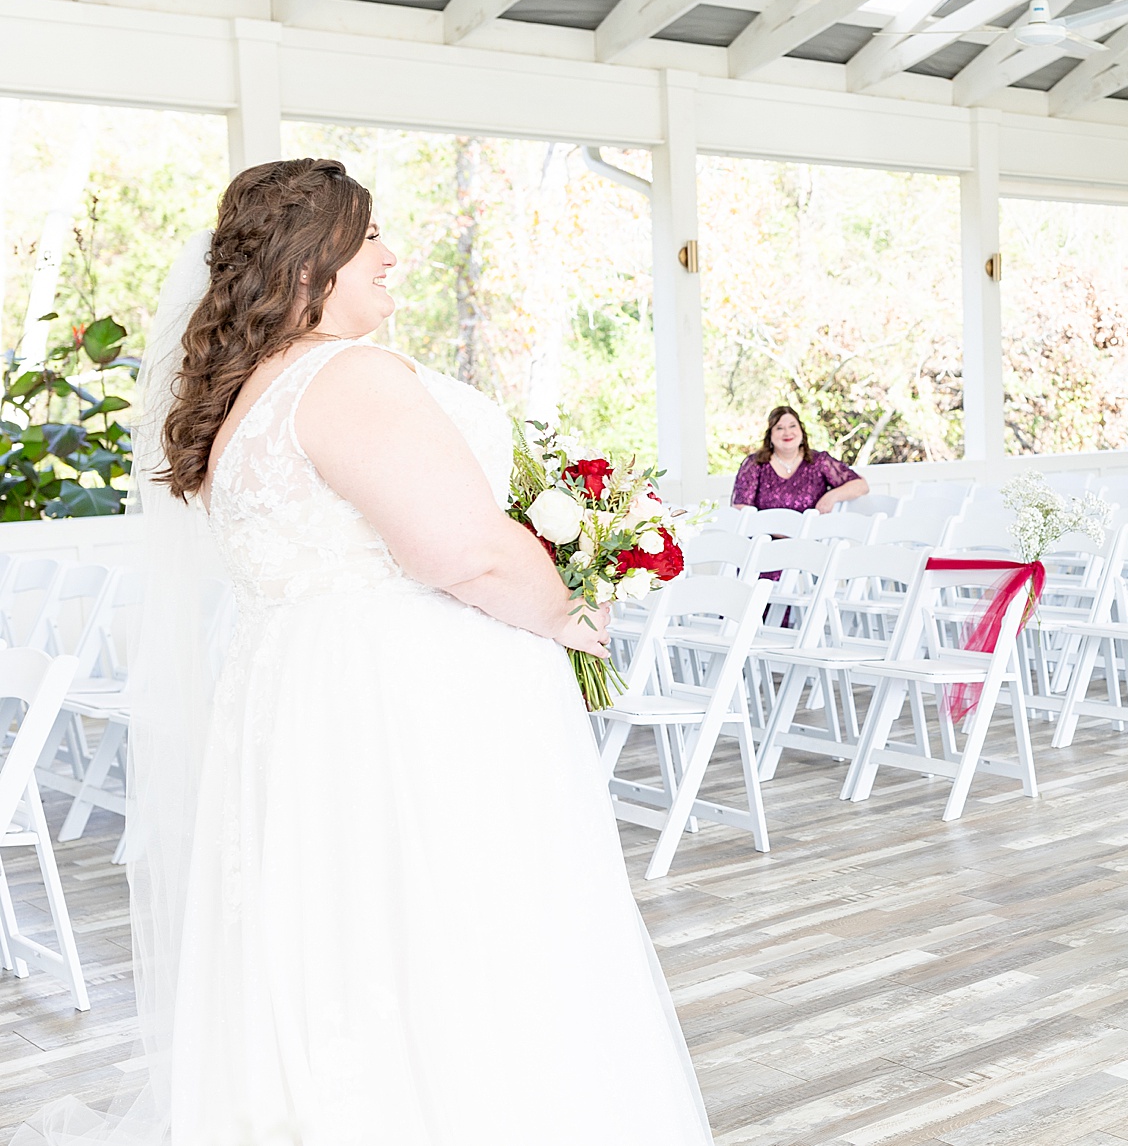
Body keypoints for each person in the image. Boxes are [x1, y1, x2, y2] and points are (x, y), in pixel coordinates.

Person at [14, 159, 714, 1145]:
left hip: (296, 695)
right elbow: (457, 548)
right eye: (370, 237)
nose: (393, 255)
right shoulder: (346, 377)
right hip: (396, 701)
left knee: (332, 935)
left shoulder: (243, 394)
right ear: (309, 266)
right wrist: (566, 611)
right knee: (433, 926)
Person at [730, 405, 869, 515]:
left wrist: (831, 496)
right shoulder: (755, 464)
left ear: (801, 431)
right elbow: (740, 507)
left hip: (810, 540)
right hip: (766, 541)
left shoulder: (819, 461)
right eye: (779, 428)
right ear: (770, 435)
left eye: (792, 426)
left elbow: (861, 485)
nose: (787, 433)